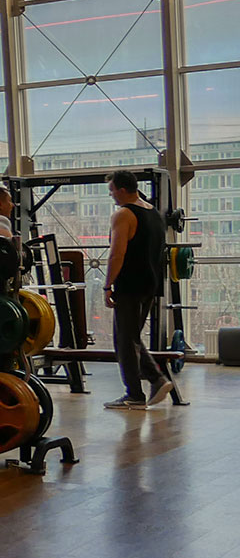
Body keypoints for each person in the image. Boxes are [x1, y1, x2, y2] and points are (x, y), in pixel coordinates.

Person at [103, 169, 174, 409]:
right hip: (150, 285)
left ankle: (136, 393)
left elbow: (117, 254)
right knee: (130, 337)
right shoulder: (153, 213)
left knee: (124, 341)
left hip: (130, 286)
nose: (111, 195)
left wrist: (107, 285)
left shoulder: (123, 214)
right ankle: (155, 380)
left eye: (112, 190)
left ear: (122, 190)